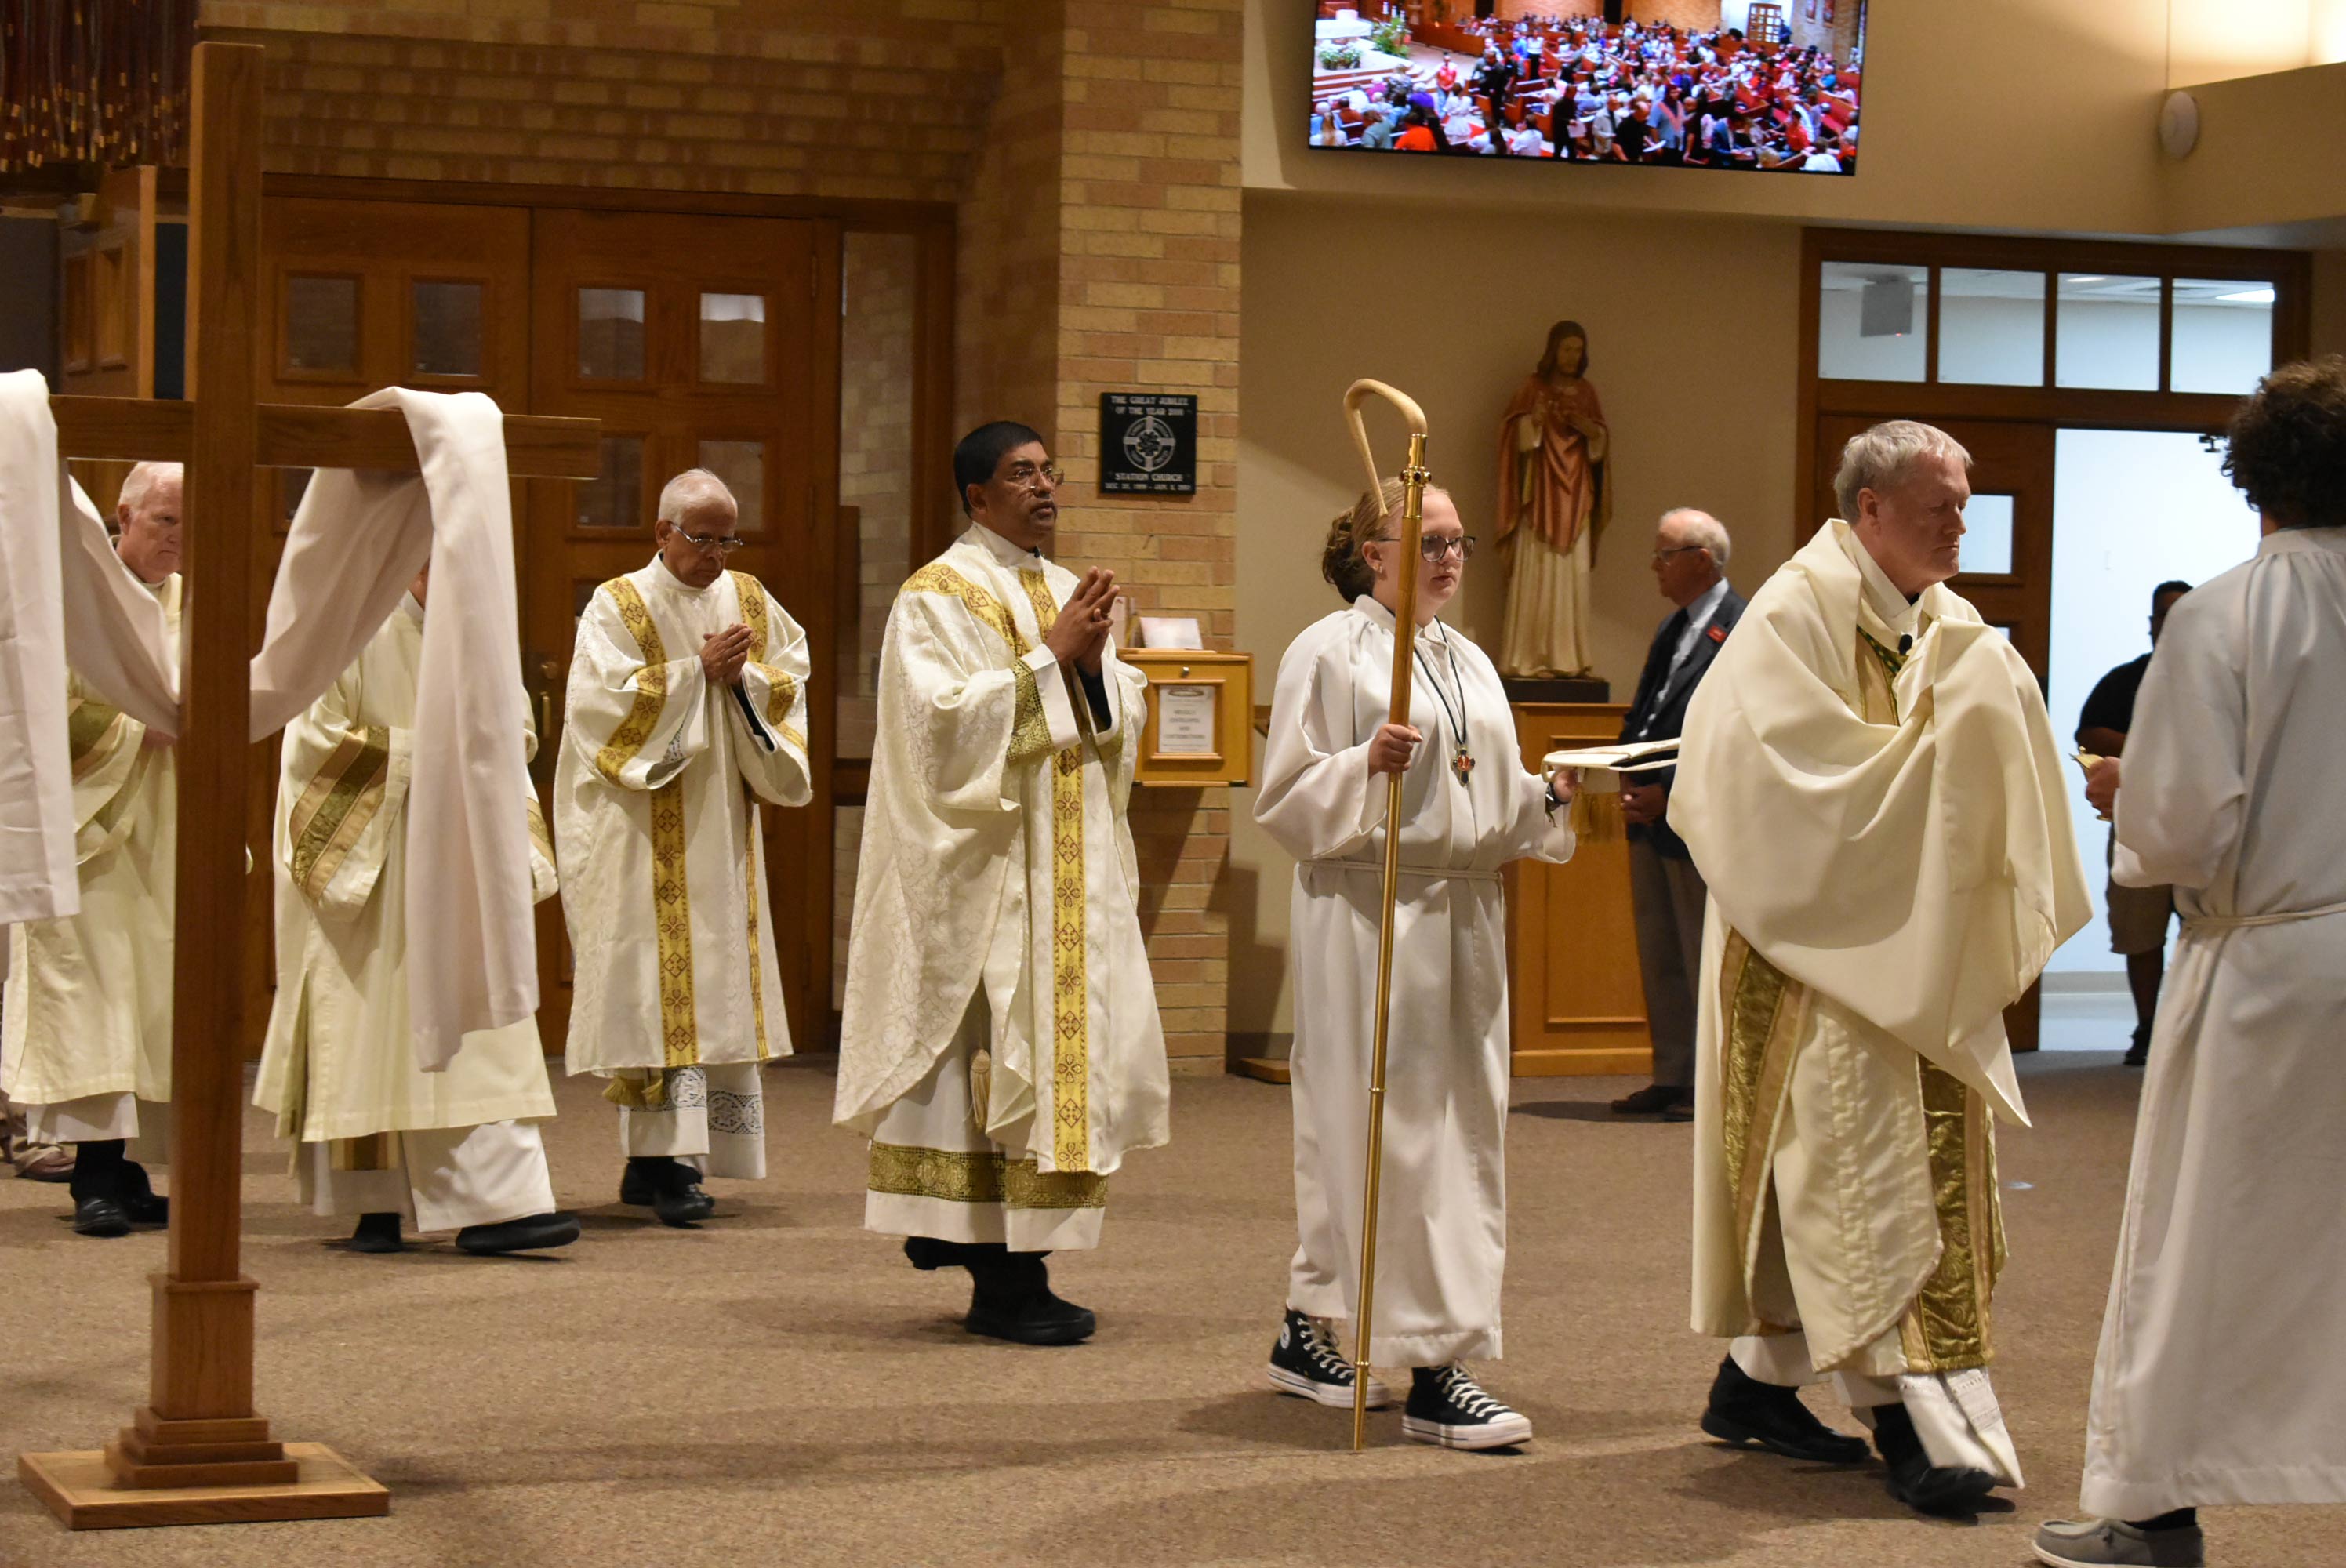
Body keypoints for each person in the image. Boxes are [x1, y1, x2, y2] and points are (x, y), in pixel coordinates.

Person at [1671, 421, 2090, 1515]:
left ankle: (1753, 1387)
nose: (1959, 526)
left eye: (1964, 507)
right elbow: (1768, 786)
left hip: (1912, 945)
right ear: (1868, 508)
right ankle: (1913, 1426)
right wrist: (1944, 752)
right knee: (1858, 1181)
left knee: (1858, 1175)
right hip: (1815, 947)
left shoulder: (1952, 624)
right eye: (1938, 506)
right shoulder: (1790, 613)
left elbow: (1980, 762)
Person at [2035, 358, 2346, 1568]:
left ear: (2255, 480)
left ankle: (2153, 1509)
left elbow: (2182, 835)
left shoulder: (2225, 614)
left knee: (2199, 1238)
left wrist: (2128, 789)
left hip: (2265, 968)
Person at [1256, 479, 1576, 1450]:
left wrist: (1548, 798)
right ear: (1373, 553)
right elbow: (1285, 799)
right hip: (1371, 909)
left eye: (1458, 541)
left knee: (1456, 1127)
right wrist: (1362, 764)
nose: (1448, 557)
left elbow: (1488, 796)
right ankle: (1437, 1368)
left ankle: (1310, 1318)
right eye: (1427, 540)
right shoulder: (1330, 651)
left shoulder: (1466, 658)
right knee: (1394, 1131)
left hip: (1464, 912)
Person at [835, 421, 1168, 1348]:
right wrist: (1049, 657)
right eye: (1022, 474)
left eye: (1049, 471)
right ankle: (999, 1271)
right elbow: (936, 727)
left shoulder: (1068, 590)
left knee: (1058, 1060)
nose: (1045, 486)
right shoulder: (934, 594)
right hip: (989, 877)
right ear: (977, 496)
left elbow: (1121, 715)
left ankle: (998, 1255)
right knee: (983, 1065)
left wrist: (1095, 669)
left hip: (1066, 871)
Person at [253, 564, 578, 1257]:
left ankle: (502, 1203)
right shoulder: (350, 626)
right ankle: (376, 1208)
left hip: (458, 859)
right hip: (375, 866)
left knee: (481, 1029)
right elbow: (312, 745)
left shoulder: (478, 632)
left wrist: (483, 752)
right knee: (373, 1027)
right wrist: (419, 757)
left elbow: (517, 730)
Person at [555, 468, 812, 1227]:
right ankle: (663, 1161)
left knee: (713, 983)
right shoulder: (619, 602)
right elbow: (597, 707)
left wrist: (743, 680)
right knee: (651, 987)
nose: (717, 555)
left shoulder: (751, 599)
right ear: (662, 532)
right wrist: (694, 674)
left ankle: (664, 1163)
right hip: (640, 829)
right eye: (703, 538)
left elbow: (789, 680)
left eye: (729, 539)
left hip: (718, 824)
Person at [0, 462, 183, 1238]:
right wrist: (137, 727)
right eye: (166, 521)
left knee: (153, 1007)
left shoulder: (196, 601)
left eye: (191, 524)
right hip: (86, 833)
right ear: (124, 515)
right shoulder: (71, 598)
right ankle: (94, 1179)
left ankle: (127, 1168)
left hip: (167, 828)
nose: (179, 539)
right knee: (92, 1004)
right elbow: (32, 706)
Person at [1610, 509, 1744, 1123]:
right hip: (1648, 811)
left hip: (1698, 816)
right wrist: (1625, 770)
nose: (1655, 566)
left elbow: (1732, 732)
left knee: (1700, 952)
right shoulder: (1674, 626)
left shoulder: (1740, 628)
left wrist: (1669, 789)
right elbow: (1647, 712)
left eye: (1666, 555)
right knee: (1659, 947)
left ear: (1703, 560)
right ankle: (1672, 1073)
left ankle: (1710, 1082)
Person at [2075, 581, 2192, 1067]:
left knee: (2205, 929)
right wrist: (2152, 746)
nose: (2173, 623)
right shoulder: (2125, 680)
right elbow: (2089, 734)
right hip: (2136, 823)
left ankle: (2190, 1032)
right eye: (2165, 614)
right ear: (2151, 624)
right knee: (2139, 933)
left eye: (2184, 613)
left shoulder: (2222, 676)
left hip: (2205, 825)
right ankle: (2147, 1028)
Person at [1496, 320, 1611, 677]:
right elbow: (1512, 436)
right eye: (1566, 349)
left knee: (1572, 576)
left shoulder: (1587, 393)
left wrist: (1589, 430)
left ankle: (1570, 659)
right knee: (1539, 572)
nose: (1572, 356)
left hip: (1576, 497)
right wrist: (1535, 422)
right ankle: (1531, 658)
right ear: (1553, 350)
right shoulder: (1533, 388)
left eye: (1578, 349)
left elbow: (1600, 445)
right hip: (1539, 496)